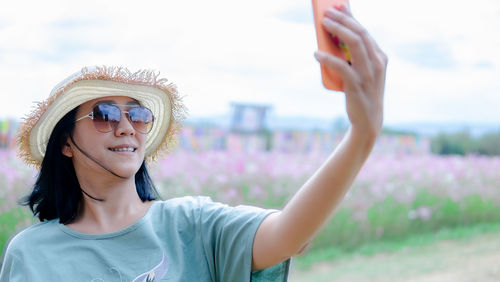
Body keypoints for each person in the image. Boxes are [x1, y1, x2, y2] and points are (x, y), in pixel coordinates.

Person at [0, 5, 387, 281]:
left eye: (137, 115)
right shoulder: (30, 253)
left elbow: (289, 234)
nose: (125, 127)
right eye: (103, 114)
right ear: (65, 141)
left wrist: (361, 138)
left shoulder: (193, 226)